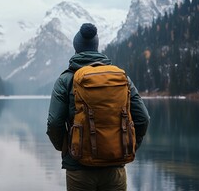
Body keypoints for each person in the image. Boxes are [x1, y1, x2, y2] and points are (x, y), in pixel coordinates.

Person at [46, 23, 150, 191]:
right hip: (114, 167)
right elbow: (143, 118)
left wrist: (68, 149)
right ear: (96, 47)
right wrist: (129, 145)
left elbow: (54, 123)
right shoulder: (122, 78)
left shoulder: (65, 80)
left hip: (78, 168)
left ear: (76, 47)